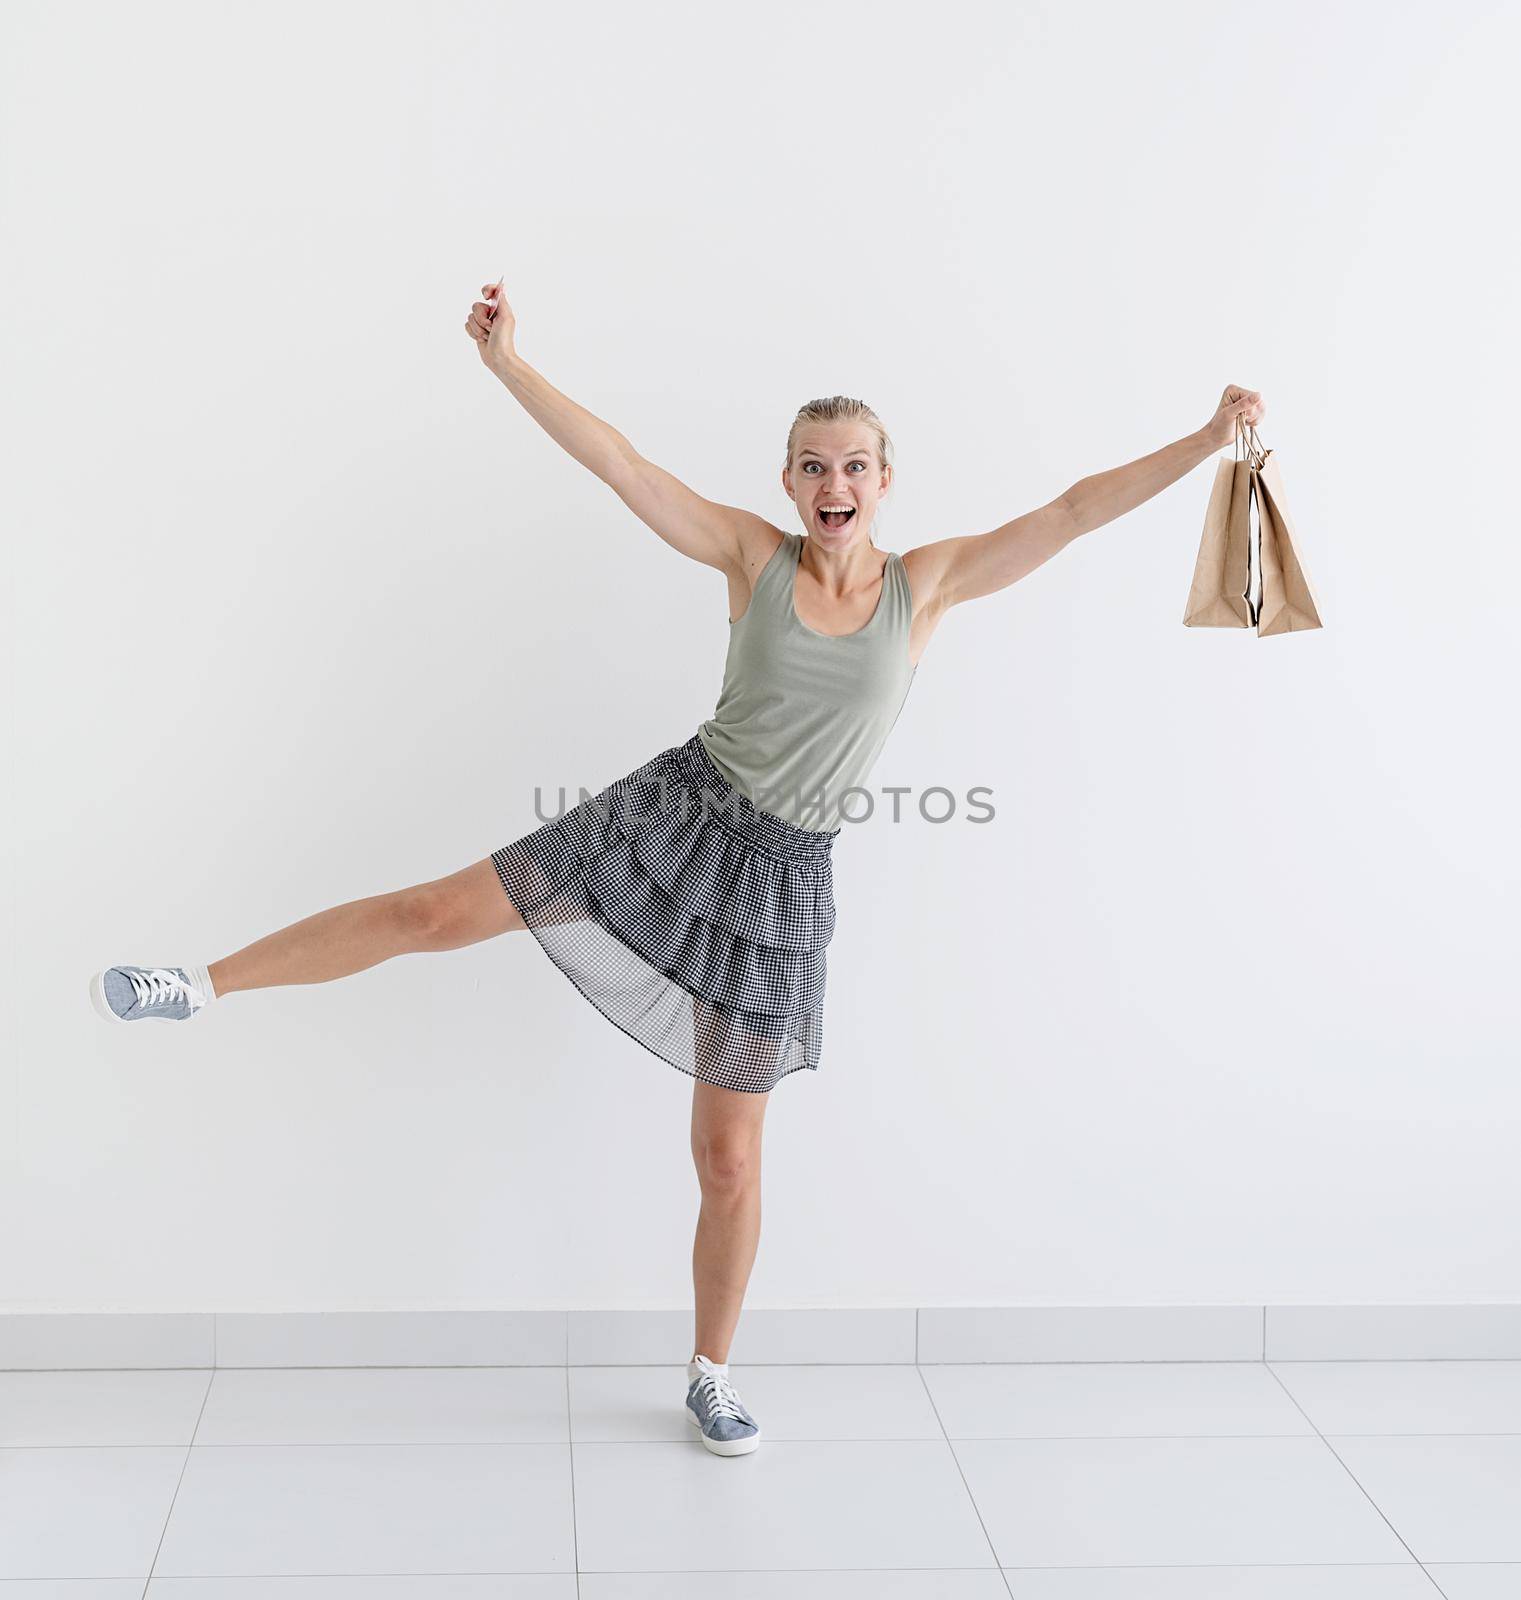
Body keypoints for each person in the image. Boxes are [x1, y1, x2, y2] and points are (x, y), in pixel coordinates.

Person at [90, 273, 1265, 1456]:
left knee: (729, 1156)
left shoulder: (930, 585)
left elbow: (1069, 511)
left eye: (855, 465)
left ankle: (711, 1370)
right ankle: (199, 983)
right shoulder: (752, 557)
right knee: (434, 911)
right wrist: (507, 366)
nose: (833, 485)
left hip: (783, 884)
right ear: (790, 483)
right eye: (812, 464)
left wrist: (1208, 439)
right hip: (670, 815)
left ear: (885, 482)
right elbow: (625, 465)